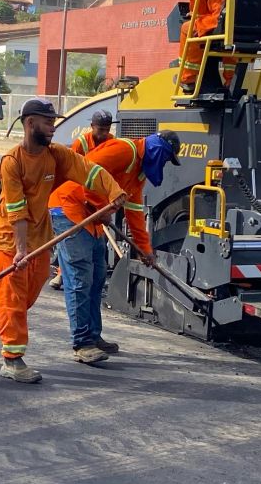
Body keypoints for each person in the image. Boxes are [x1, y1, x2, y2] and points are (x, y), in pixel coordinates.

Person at [0, 98, 126, 384]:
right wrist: (21, 250)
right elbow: (17, 210)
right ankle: (12, 360)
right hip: (9, 241)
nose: (53, 127)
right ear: (30, 124)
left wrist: (113, 191)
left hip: (40, 240)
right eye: (48, 122)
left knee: (23, 303)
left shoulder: (55, 155)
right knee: (13, 302)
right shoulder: (12, 162)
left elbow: (89, 170)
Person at [48, 131, 179, 363]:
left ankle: (93, 335)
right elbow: (88, 171)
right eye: (167, 159)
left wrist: (144, 249)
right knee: (80, 277)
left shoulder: (138, 173)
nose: (165, 165)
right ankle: (82, 343)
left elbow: (135, 212)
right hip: (69, 208)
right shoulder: (125, 151)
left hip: (93, 216)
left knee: (97, 276)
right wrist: (103, 205)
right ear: (159, 151)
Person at [51, 110, 115, 292]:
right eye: (100, 129)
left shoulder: (111, 142)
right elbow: (70, 170)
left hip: (96, 195)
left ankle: (89, 275)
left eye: (107, 129)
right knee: (70, 238)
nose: (103, 133)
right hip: (75, 196)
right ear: (92, 126)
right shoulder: (82, 143)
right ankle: (61, 272)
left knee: (93, 239)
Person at [178, 0, 244, 90]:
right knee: (230, 37)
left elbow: (198, 12)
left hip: (218, 21)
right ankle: (230, 80)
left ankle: (187, 78)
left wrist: (192, 15)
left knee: (186, 29)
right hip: (242, 22)